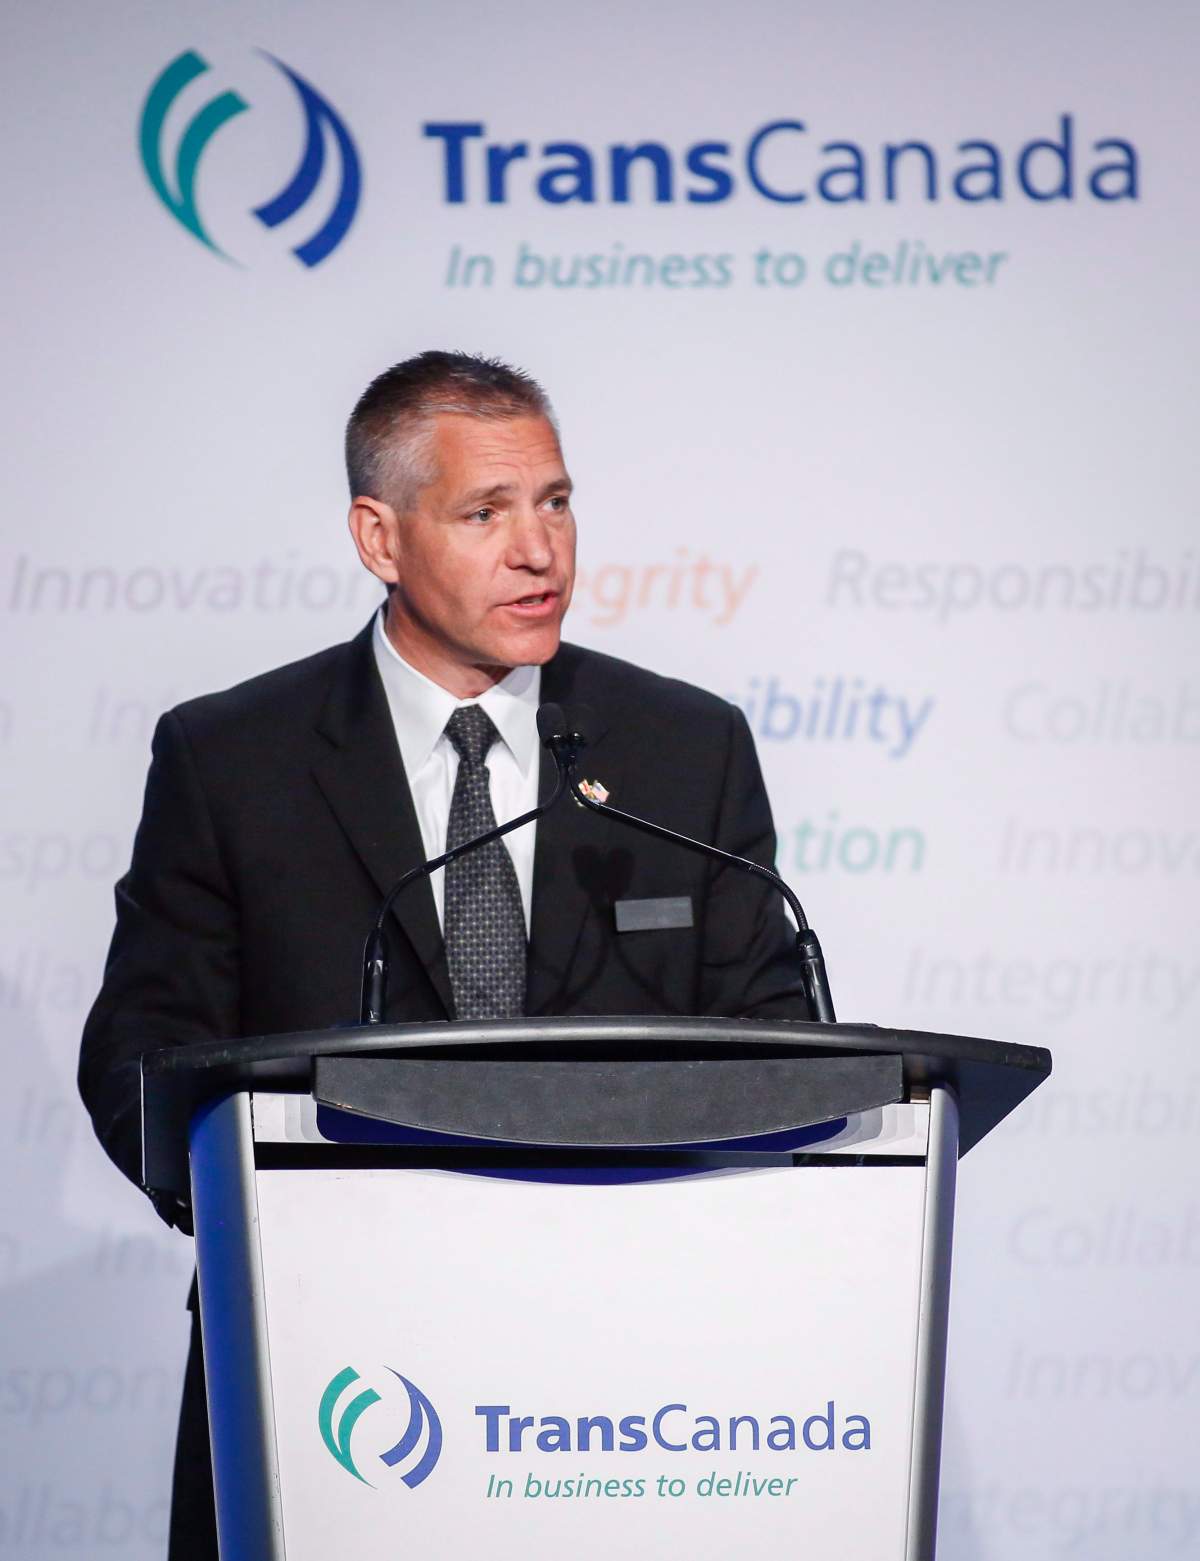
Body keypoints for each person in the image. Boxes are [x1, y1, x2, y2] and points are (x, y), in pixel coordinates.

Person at [78, 351, 811, 1558]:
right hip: (326, 1360)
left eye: (556, 503)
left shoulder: (683, 748)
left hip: (628, 1382)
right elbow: (142, 1062)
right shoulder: (234, 759)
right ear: (380, 536)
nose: (541, 551)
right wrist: (264, 1208)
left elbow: (777, 1039)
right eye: (486, 513)